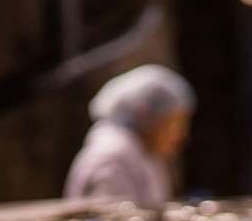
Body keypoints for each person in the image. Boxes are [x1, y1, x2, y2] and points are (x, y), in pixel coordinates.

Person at [64, 64, 196, 204]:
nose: (182, 135)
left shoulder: (145, 154)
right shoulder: (111, 158)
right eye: (174, 123)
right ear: (145, 114)